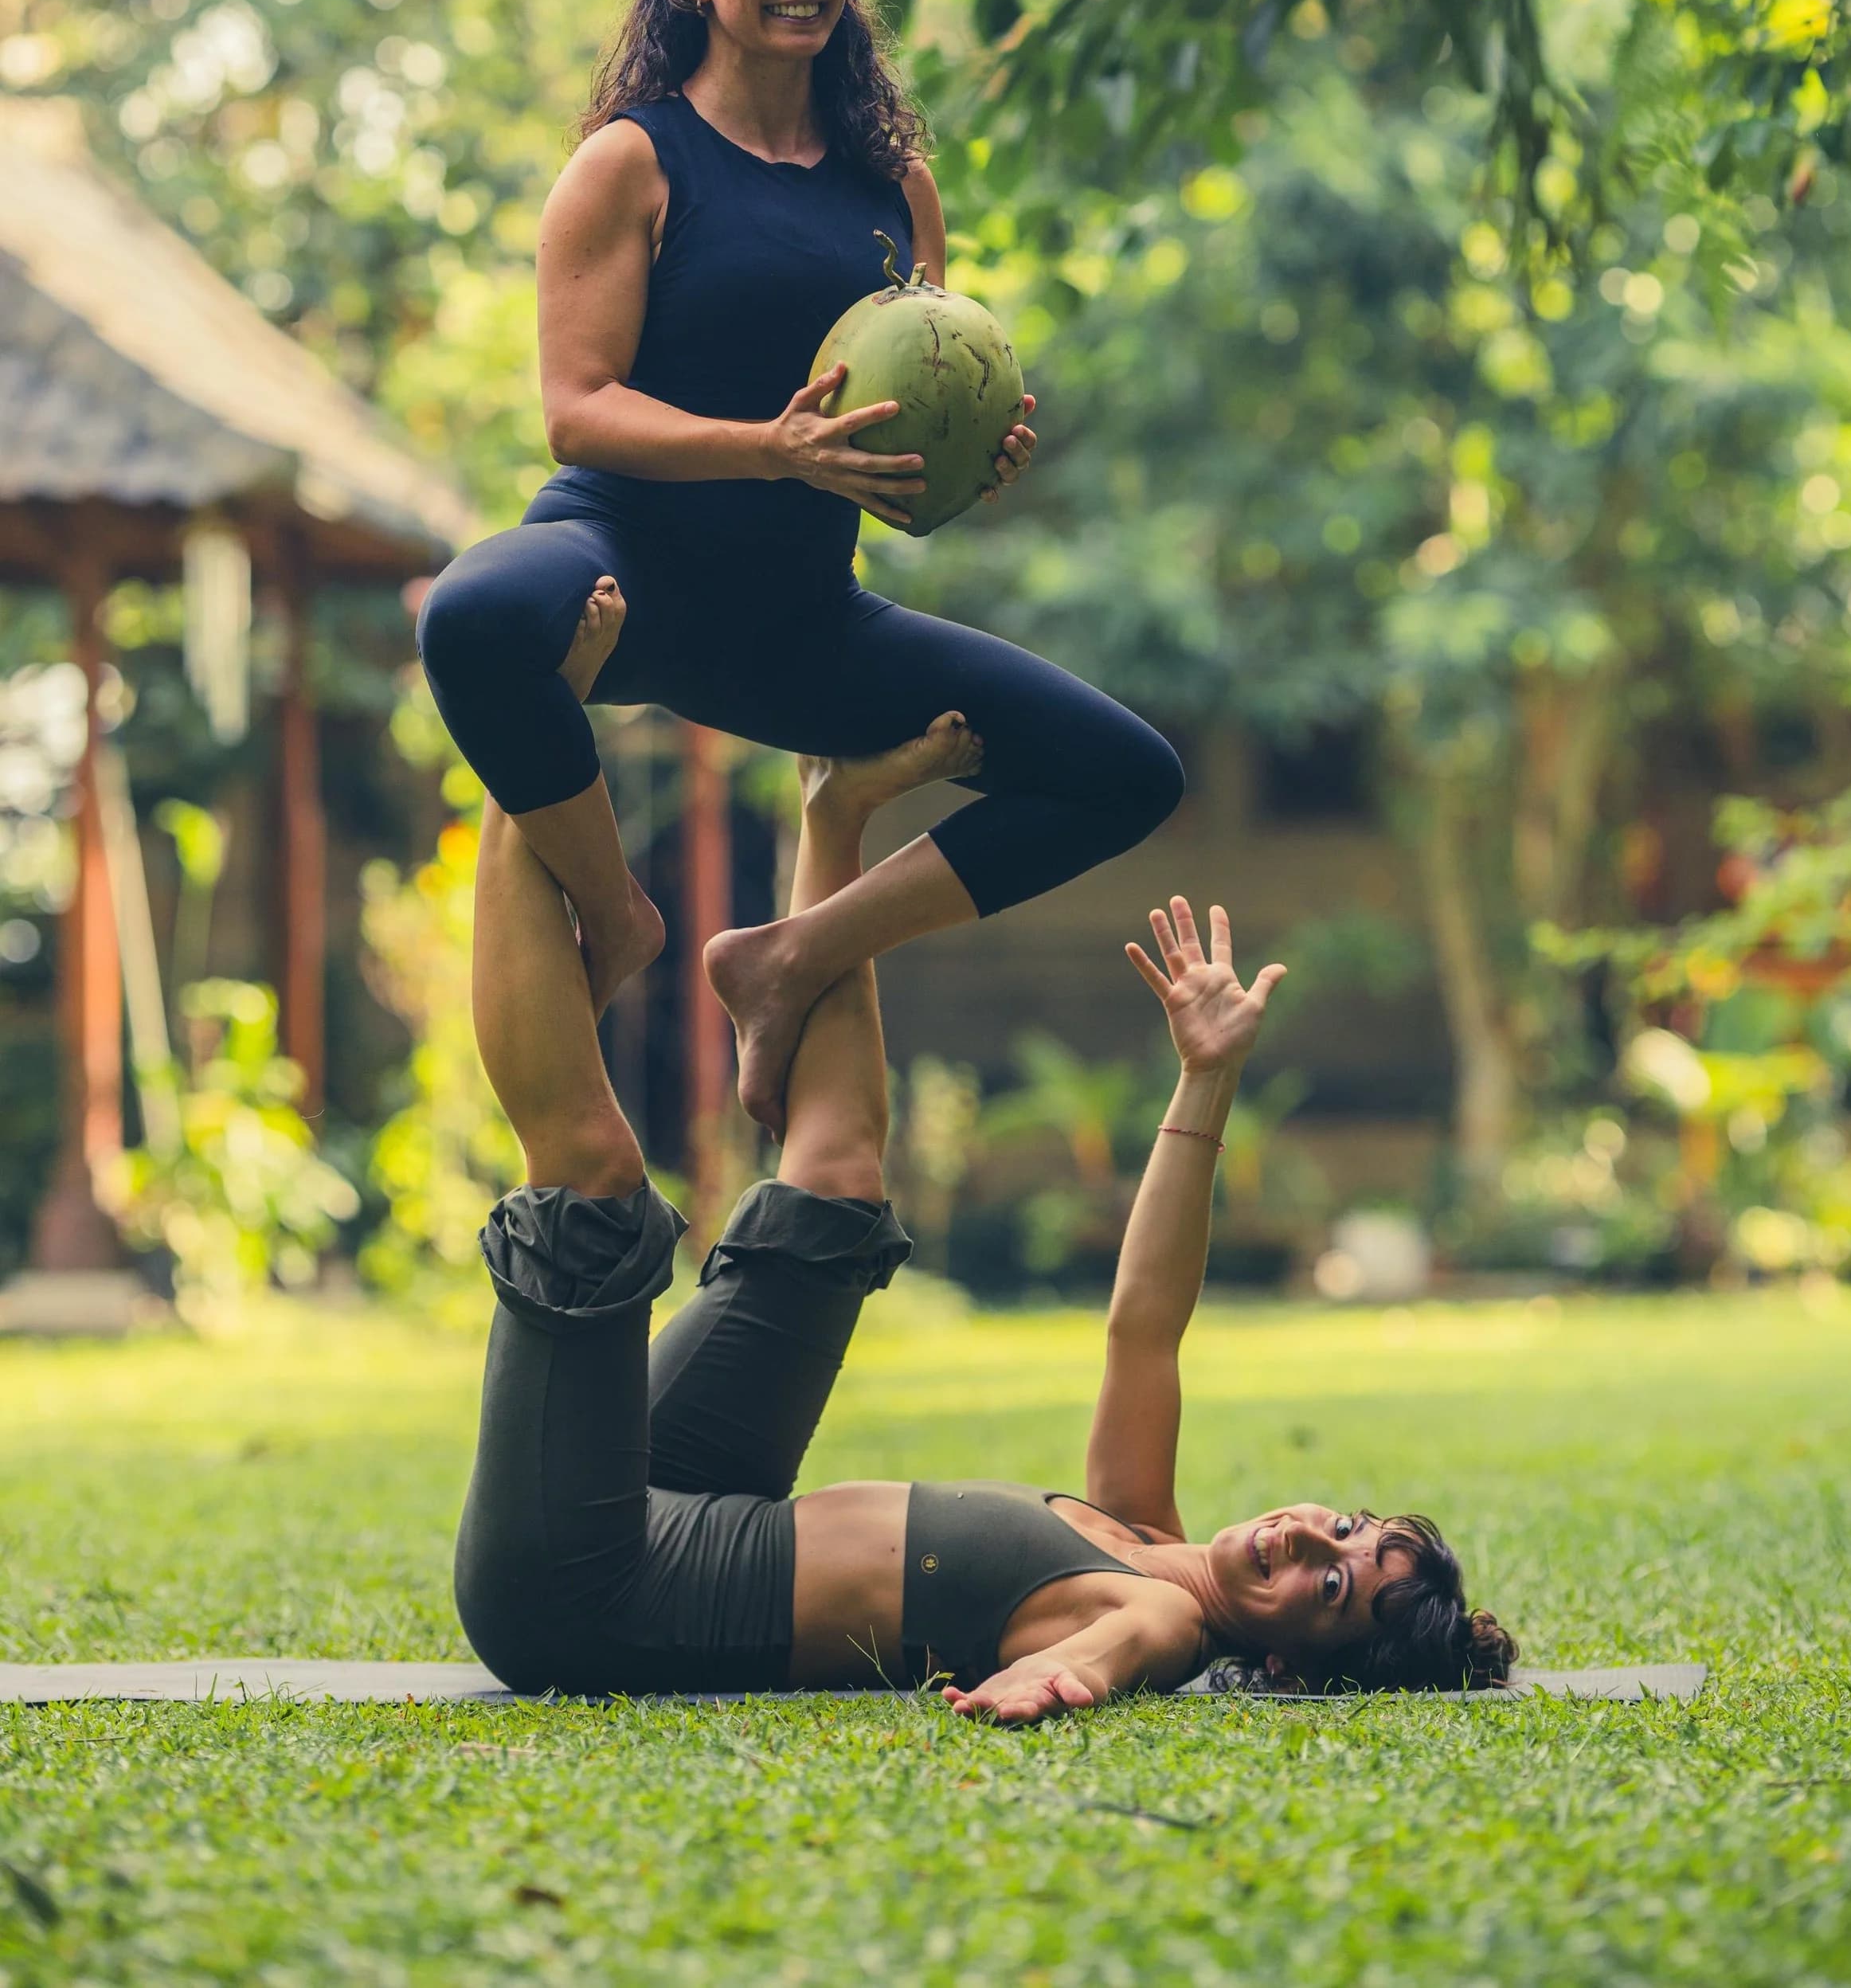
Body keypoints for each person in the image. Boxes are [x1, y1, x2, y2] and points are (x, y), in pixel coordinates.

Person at [452, 606, 1515, 1712]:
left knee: (592, 1180)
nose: (1301, 1538)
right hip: (685, 1496)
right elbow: (1146, 1321)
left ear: (1290, 1660)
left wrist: (1053, 1684)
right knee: (839, 1185)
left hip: (584, 1590)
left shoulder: (1160, 1616)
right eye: (1340, 1525)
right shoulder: (1145, 1533)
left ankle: (522, 730)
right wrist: (1206, 1076)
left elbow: (1104, 1655)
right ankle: (837, 815)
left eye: (1329, 1582)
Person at [417, 0, 1183, 1130]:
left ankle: (792, 952)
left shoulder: (896, 188)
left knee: (1127, 773)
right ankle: (619, 910)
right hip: (625, 558)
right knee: (471, 618)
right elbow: (576, 411)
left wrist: (965, 455)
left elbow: (911, 411)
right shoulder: (632, 161)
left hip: (797, 619)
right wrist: (765, 448)